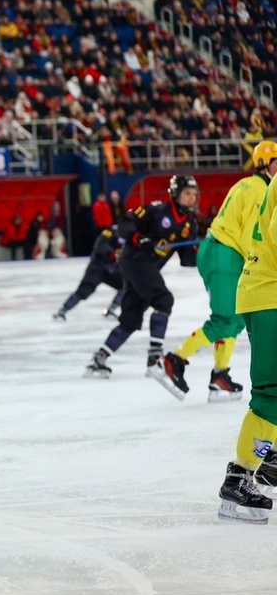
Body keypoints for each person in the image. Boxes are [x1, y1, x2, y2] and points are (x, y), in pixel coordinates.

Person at [169, 141, 277, 402]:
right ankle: (175, 360)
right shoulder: (260, 188)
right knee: (225, 319)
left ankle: (220, 376)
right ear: (264, 164)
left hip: (223, 252)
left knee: (236, 319)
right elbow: (255, 234)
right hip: (226, 253)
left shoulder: (250, 184)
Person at [85, 174, 200, 397]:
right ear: (175, 194)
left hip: (145, 270)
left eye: (194, 194)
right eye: (187, 193)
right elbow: (126, 223)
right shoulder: (157, 210)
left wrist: (207, 249)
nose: (192, 198)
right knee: (163, 299)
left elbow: (188, 259)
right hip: (133, 260)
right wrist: (139, 238)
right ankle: (155, 356)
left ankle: (99, 358)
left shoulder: (190, 224)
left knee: (131, 318)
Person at [219, 158, 277, 522]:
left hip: (263, 290)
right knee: (272, 394)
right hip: (268, 294)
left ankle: (270, 460)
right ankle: (239, 478)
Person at [53, 227, 126, 321]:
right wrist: (114, 254)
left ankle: (112, 309)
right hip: (98, 267)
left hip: (113, 270)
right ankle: (63, 310)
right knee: (85, 290)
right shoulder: (112, 231)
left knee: (127, 285)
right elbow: (100, 246)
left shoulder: (133, 235)